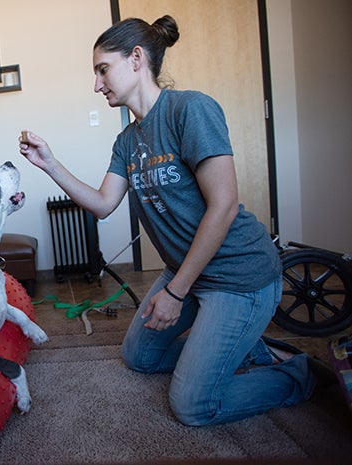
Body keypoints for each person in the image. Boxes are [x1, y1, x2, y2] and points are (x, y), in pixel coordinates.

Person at [19, 15, 316, 426]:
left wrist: (175, 293)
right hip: (188, 272)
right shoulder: (126, 141)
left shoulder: (190, 109)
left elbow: (225, 205)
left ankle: (299, 376)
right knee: (139, 357)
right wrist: (50, 164)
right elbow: (104, 204)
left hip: (239, 276)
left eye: (103, 69)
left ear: (136, 58)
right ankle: (241, 349)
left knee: (193, 406)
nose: (96, 84)